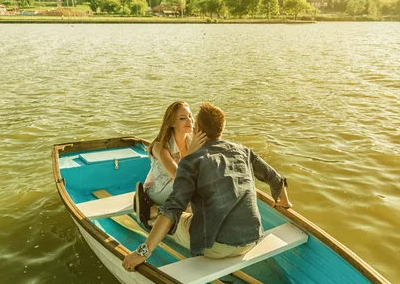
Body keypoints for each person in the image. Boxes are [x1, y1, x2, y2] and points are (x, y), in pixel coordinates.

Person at [123, 102, 292, 271]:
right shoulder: (243, 151)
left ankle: (150, 214)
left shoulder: (191, 162)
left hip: (214, 248)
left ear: (197, 129)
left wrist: (142, 252)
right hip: (251, 240)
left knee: (178, 218)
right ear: (222, 129)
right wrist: (284, 201)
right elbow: (275, 178)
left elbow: (172, 209)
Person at [134, 101, 207, 227]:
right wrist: (192, 151)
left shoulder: (192, 140)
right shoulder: (160, 147)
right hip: (157, 191)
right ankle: (157, 211)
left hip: (180, 189)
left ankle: (160, 213)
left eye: (190, 116)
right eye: (182, 118)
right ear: (172, 123)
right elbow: (179, 176)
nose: (189, 121)